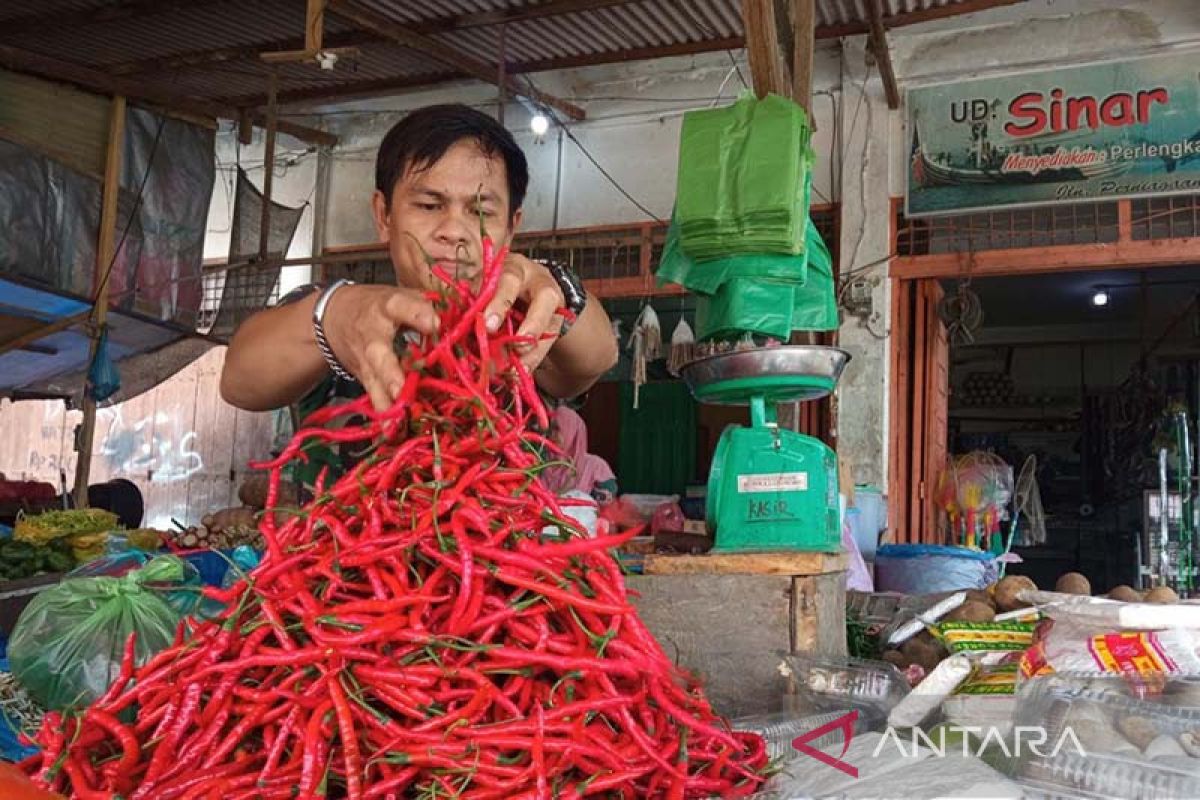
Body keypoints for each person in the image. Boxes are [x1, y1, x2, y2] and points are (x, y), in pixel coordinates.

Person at [220, 105, 618, 479]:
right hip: (343, 553)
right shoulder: (342, 316)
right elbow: (240, 379)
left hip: (493, 551)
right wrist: (330, 315)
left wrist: (556, 287)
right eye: (429, 205)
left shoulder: (524, 327)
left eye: (480, 212)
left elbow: (598, 355)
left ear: (511, 227)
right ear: (384, 215)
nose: (455, 230)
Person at [541, 405, 617, 504]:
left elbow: (609, 500)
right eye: (550, 429)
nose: (551, 434)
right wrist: (565, 488)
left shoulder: (594, 465)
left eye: (557, 429)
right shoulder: (543, 464)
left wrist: (594, 496)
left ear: (571, 432)